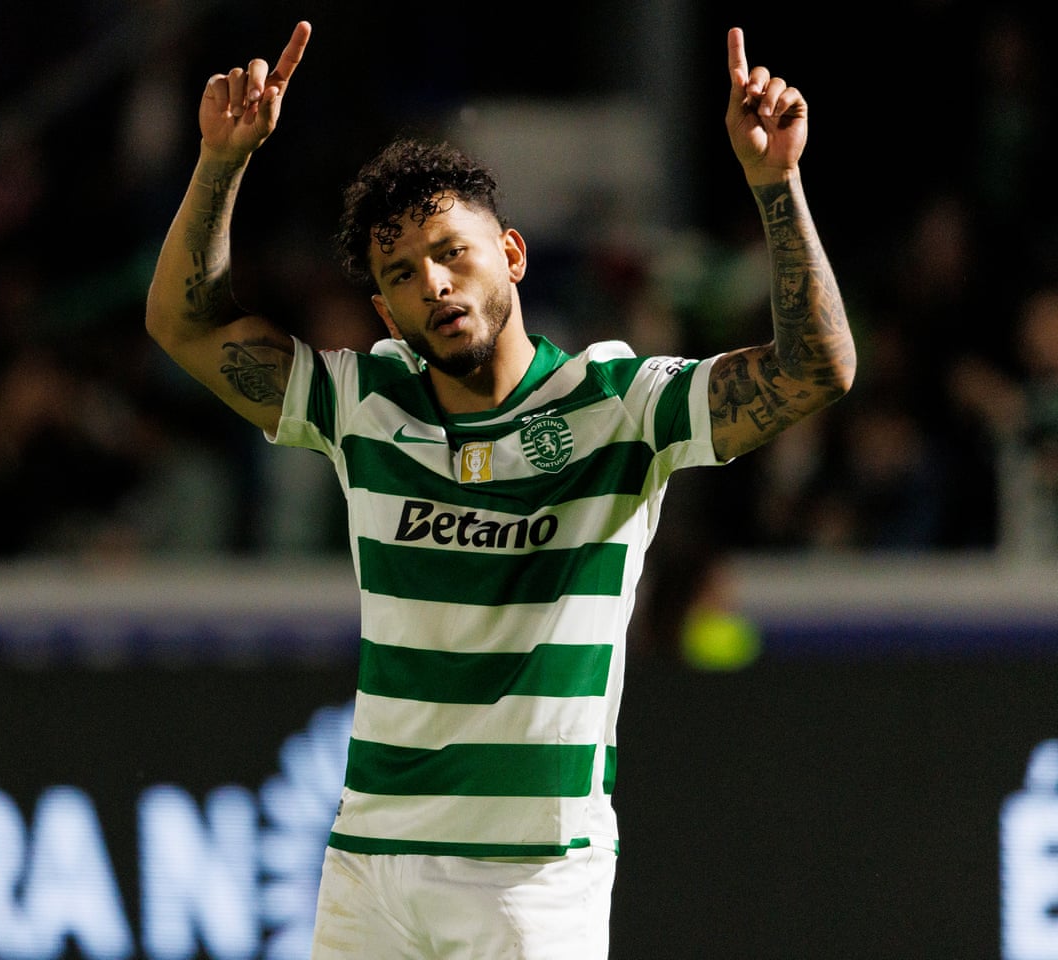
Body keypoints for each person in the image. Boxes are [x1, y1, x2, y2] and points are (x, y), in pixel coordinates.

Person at [145, 19, 855, 959]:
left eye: (453, 252)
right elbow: (183, 325)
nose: (435, 283)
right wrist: (221, 163)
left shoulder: (621, 406)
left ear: (511, 255)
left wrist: (777, 186)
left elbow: (817, 370)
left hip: (532, 881)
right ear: (383, 311)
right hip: (369, 868)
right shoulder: (361, 403)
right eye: (402, 274)